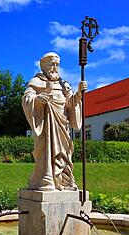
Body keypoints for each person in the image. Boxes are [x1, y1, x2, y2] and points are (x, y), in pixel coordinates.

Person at [22, 52, 87, 191]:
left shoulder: (64, 84)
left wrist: (79, 94)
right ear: (43, 65)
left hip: (62, 124)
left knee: (64, 151)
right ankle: (46, 179)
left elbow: (70, 103)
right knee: (46, 151)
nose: (55, 67)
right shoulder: (36, 81)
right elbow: (27, 98)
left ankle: (64, 181)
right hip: (46, 124)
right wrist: (37, 100)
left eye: (57, 64)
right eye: (52, 64)